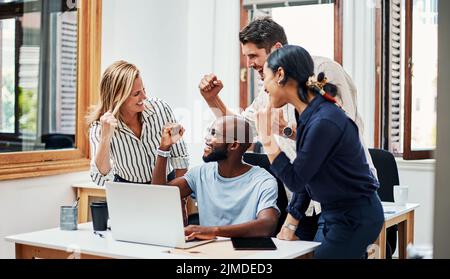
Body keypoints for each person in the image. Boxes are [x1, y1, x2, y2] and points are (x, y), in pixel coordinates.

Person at [199, 17, 377, 242]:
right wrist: (213, 99)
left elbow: (338, 132)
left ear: (276, 50)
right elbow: (240, 131)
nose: (249, 64)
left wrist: (286, 132)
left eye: (253, 55)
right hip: (301, 202)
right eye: (246, 57)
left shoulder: (323, 72)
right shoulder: (268, 93)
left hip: (339, 198)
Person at [255, 45, 384, 259]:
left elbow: (296, 179)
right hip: (337, 214)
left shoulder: (324, 120)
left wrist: (267, 139)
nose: (264, 88)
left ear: (280, 75)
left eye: (265, 79)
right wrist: (290, 223)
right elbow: (308, 175)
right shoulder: (308, 115)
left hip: (355, 217)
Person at [87, 61, 190, 218]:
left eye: (143, 90)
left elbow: (180, 158)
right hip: (129, 195)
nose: (145, 97)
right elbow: (101, 178)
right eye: (136, 94)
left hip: (167, 187)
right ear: (117, 98)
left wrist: (180, 200)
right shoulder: (99, 128)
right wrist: (105, 138)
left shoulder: (161, 109)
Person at [151, 115, 279, 240]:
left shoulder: (264, 181)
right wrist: (164, 148)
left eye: (214, 134)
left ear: (233, 145)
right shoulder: (201, 173)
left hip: (246, 252)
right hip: (207, 250)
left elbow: (267, 225)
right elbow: (158, 196)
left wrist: (214, 231)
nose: (206, 138)